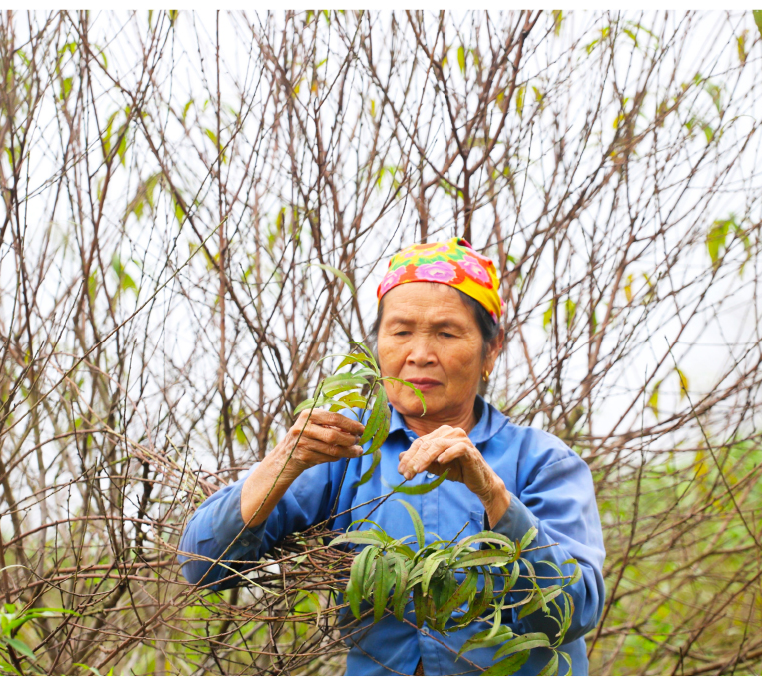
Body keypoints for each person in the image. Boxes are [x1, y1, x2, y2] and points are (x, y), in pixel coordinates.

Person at [178, 237, 606, 675]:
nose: (420, 355)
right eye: (401, 332)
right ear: (377, 347)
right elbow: (201, 565)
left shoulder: (542, 462)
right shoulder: (345, 449)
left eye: (446, 333)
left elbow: (573, 614)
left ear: (490, 351)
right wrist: (283, 461)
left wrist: (493, 495)